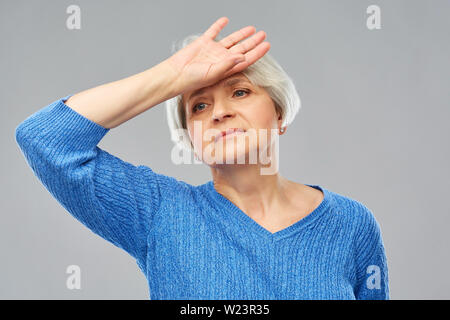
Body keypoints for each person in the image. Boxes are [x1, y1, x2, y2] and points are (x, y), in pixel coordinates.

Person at [15, 16, 389, 299]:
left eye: (240, 92)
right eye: (199, 105)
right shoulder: (161, 213)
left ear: (279, 114)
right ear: (192, 140)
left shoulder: (351, 224)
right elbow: (47, 141)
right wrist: (172, 76)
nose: (219, 112)